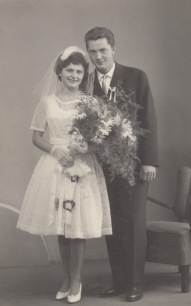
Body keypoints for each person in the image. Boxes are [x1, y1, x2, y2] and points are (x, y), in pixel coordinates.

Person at [17, 46, 112, 304]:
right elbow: (36, 136)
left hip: (82, 166)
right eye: (69, 70)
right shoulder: (46, 102)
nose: (74, 75)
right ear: (60, 72)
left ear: (84, 74)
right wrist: (56, 149)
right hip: (56, 165)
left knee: (77, 227)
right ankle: (66, 279)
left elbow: (101, 139)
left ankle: (77, 280)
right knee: (62, 227)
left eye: (79, 71)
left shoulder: (89, 102)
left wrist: (85, 147)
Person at [84, 27, 159, 302]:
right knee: (112, 222)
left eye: (102, 50)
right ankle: (119, 281)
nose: (98, 56)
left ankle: (135, 283)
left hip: (135, 164)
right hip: (102, 166)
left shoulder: (135, 76)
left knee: (134, 223)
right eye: (92, 51)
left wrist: (149, 161)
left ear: (113, 49)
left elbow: (148, 119)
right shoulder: (87, 83)